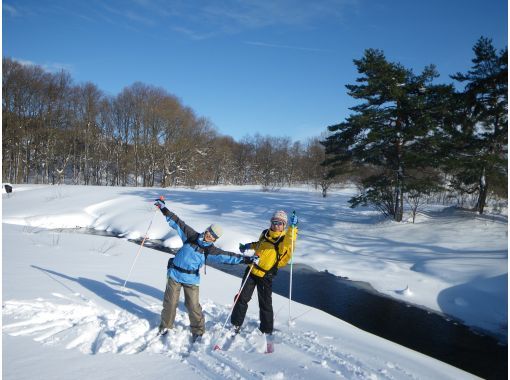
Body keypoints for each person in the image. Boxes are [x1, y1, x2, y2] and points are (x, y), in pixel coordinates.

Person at [154, 198, 256, 342]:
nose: (209, 236)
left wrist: (246, 260)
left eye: (213, 236)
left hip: (191, 279)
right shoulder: (192, 236)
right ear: (207, 230)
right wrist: (164, 209)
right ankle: (166, 326)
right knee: (170, 303)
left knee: (193, 306)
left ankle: (198, 330)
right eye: (209, 232)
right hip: (174, 275)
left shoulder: (211, 250)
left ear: (215, 239)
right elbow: (178, 222)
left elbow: (228, 257)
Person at [231, 210, 298, 336]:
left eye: (280, 223)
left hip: (266, 275)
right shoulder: (265, 233)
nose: (276, 225)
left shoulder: (284, 240)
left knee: (265, 304)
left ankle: (266, 330)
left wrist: (293, 228)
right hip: (252, 270)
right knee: (242, 298)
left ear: (284, 225)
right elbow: (259, 245)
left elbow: (290, 240)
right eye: (274, 222)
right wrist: (247, 246)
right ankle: (236, 323)